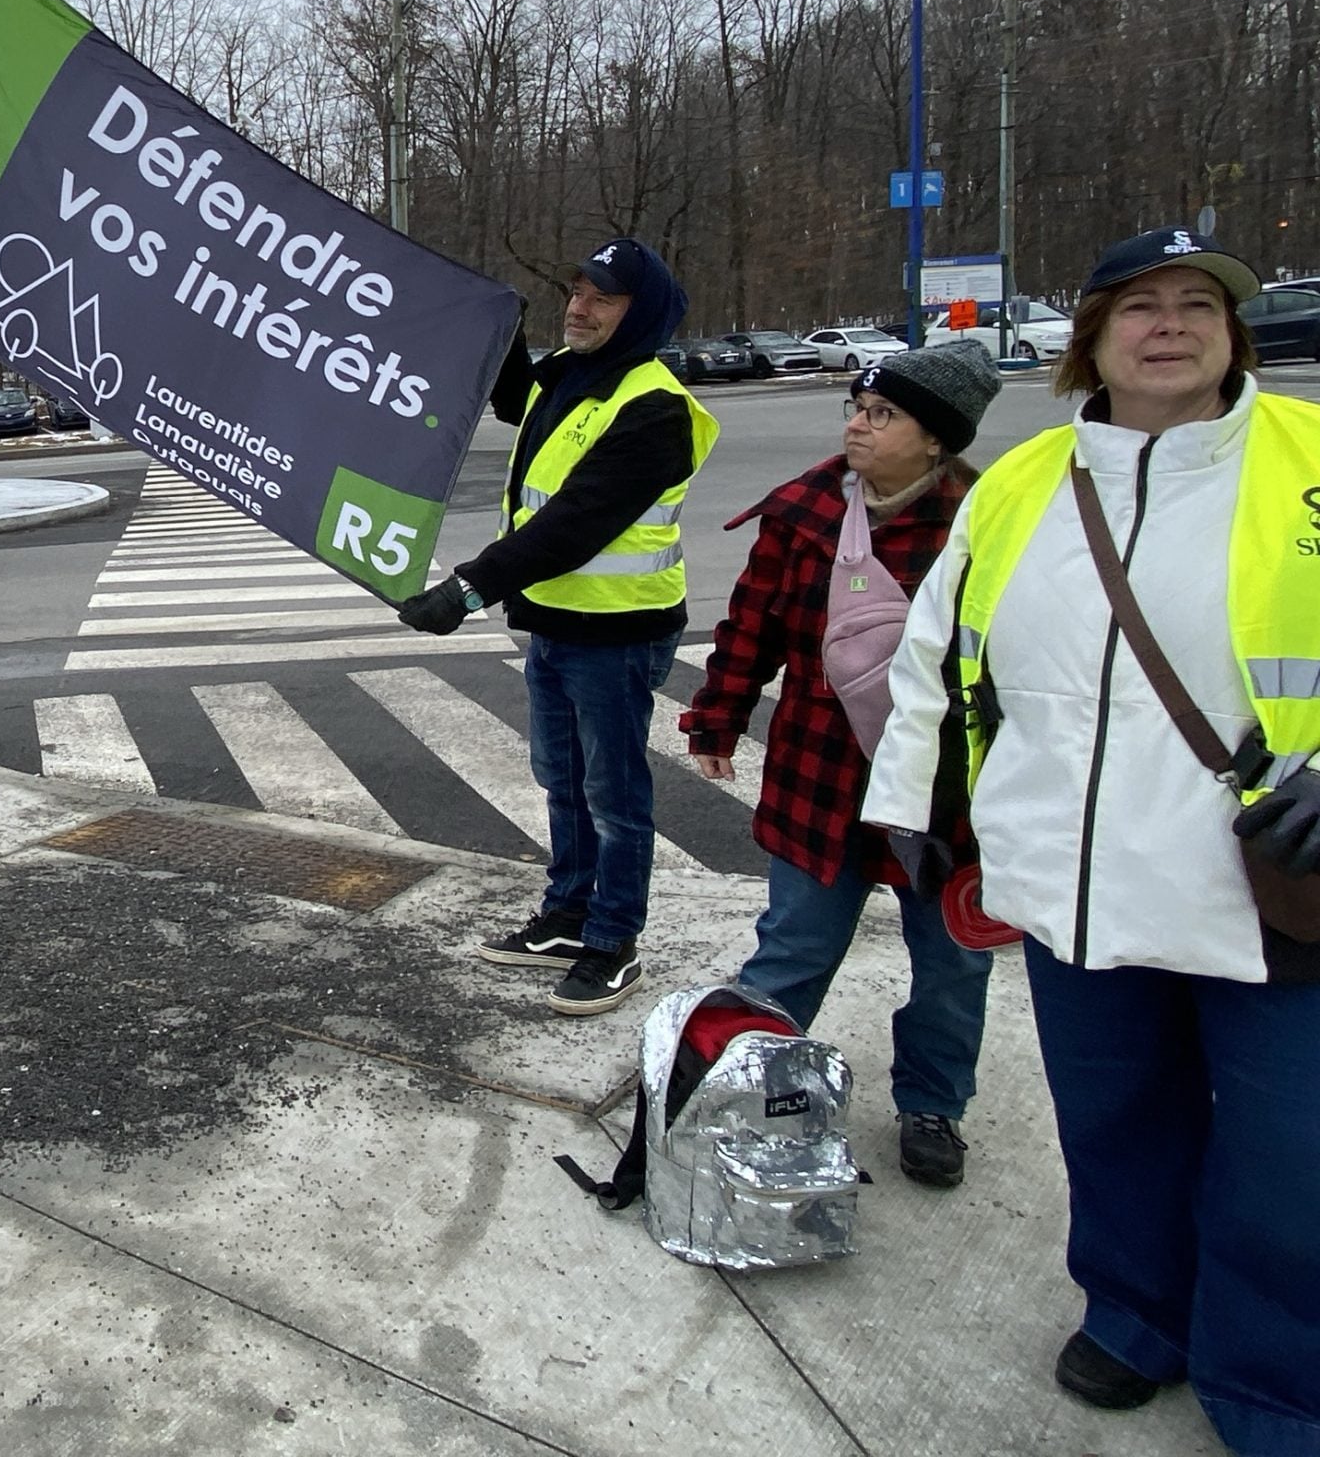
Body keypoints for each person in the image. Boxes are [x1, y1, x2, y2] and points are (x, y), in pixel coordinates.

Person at [861, 228, 1320, 1451]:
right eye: (1138, 305)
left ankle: (1273, 1382)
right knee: (1113, 1123)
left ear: (1233, 333)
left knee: (1286, 1158)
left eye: (1196, 303)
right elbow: (933, 661)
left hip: (1269, 894)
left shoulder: (1309, 462)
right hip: (1073, 887)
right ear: (1094, 338)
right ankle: (1133, 1314)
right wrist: (909, 809)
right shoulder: (1020, 486)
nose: (1168, 323)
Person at [680, 344, 1001, 1189]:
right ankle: (751, 1084)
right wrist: (718, 717)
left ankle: (933, 1105)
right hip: (821, 776)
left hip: (947, 792)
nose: (857, 422)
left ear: (938, 440)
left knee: (952, 964)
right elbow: (752, 627)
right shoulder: (808, 512)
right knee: (792, 948)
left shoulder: (988, 521)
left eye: (883, 413)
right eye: (857, 407)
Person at [397, 237, 714, 1014]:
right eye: (575, 292)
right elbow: (515, 401)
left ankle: (613, 941)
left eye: (602, 298)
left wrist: (467, 590)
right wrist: (497, 328)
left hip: (619, 631)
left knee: (613, 793)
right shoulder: (571, 378)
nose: (579, 307)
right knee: (562, 781)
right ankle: (568, 915)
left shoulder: (653, 407)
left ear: (642, 315)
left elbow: (573, 526)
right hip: (557, 624)